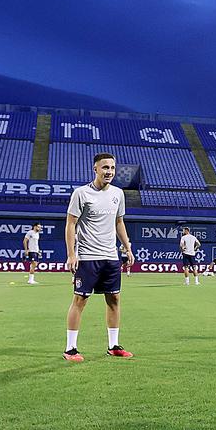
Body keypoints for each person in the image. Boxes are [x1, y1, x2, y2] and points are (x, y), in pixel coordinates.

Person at [63, 152, 134, 362]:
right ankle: (70, 348)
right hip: (87, 257)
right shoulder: (81, 193)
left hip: (111, 256)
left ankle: (113, 346)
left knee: (114, 300)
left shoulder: (118, 194)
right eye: (105, 167)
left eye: (112, 168)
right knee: (80, 300)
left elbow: (119, 222)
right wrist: (71, 254)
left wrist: (127, 248)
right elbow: (70, 224)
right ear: (95, 169)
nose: (109, 172)